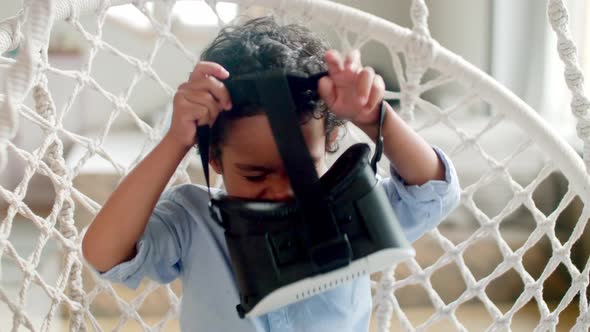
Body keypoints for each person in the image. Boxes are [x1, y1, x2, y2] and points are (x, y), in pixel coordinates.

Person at [82, 16, 460, 332]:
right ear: (214, 158)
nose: (281, 190)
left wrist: (373, 119)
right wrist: (176, 141)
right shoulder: (193, 220)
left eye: (300, 168)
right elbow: (104, 254)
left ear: (329, 140)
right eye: (256, 174)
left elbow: (433, 190)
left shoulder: (352, 210)